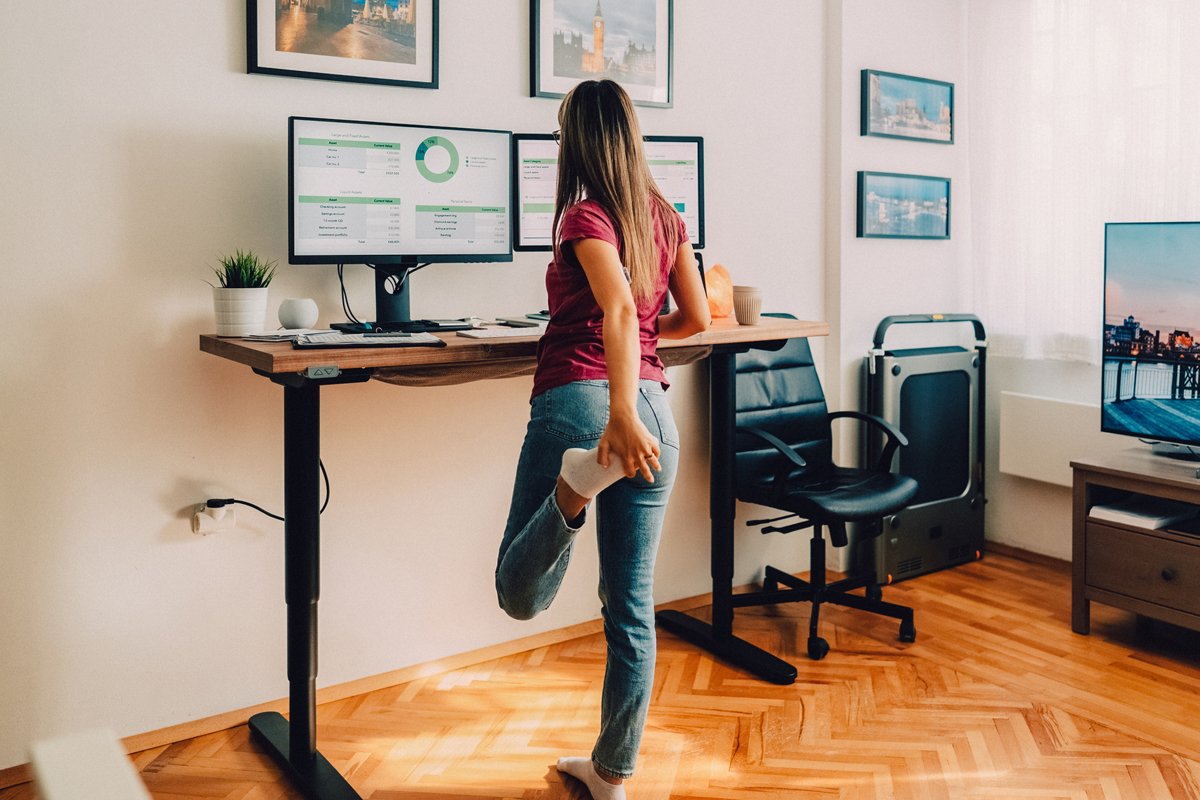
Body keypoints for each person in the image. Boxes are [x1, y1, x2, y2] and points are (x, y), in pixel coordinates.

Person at [494, 79, 711, 800]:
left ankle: (572, 486)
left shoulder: (583, 215)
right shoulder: (666, 217)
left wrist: (617, 413)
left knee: (517, 594)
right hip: (657, 412)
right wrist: (640, 375)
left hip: (587, 403)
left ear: (575, 141)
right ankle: (612, 775)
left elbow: (617, 307)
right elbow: (696, 320)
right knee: (631, 606)